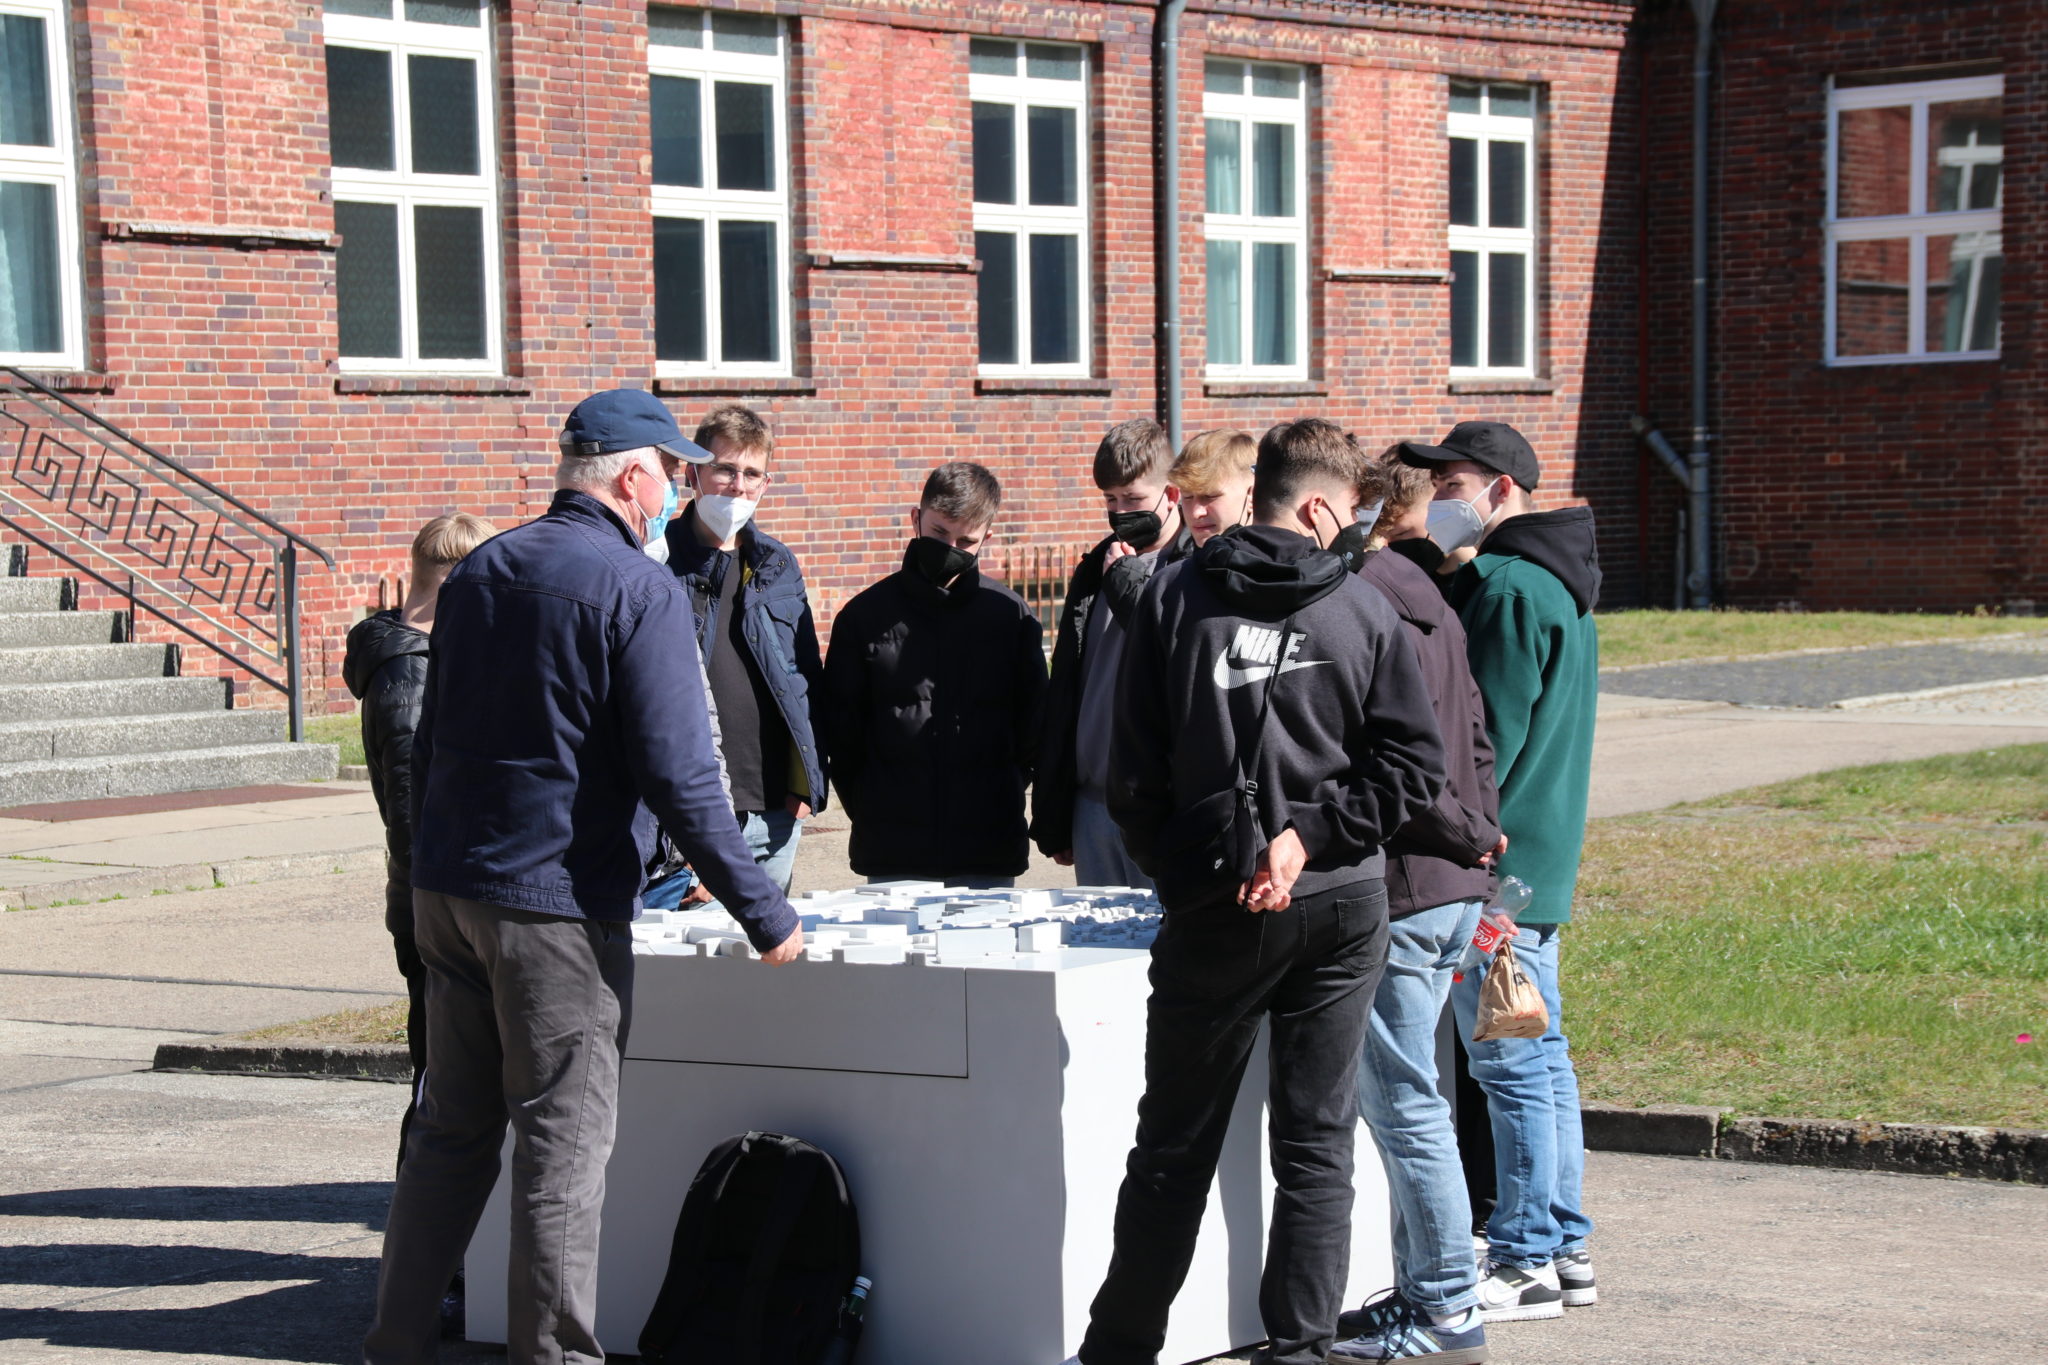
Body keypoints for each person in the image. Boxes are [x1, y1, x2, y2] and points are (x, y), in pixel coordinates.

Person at [363, 388, 804, 1365]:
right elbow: (684, 775)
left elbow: (434, 743)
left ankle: (393, 1345)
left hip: (453, 892)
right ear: (633, 474)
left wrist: (427, 876)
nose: (677, 494)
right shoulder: (634, 588)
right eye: (672, 474)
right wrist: (765, 912)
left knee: (450, 1135)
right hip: (552, 907)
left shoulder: (483, 569)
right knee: (560, 1145)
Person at [1064, 419, 1447, 1365]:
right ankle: (1302, 1347)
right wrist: (1309, 838)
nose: (1355, 525)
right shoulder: (1363, 608)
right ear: (1318, 505)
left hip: (1222, 906)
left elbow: (1129, 771)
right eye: (1352, 509)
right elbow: (1414, 767)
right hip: (1339, 900)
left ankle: (1120, 1349)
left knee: (1172, 1150)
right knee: (1317, 1145)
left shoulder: (1171, 597)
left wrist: (1204, 865)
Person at [1400, 419, 1602, 1323]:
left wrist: (1466, 846)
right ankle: (1559, 1244)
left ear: (1505, 488)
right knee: (1539, 1056)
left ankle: (1524, 1254)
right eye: (1438, 479)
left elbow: (1479, 739)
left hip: (1497, 865)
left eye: (1457, 480)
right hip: (1531, 859)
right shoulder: (1550, 581)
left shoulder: (1513, 589)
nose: (1443, 494)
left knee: (1511, 1062)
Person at [1328, 458, 1506, 1364]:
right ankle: (1423, 1294)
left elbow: (1408, 756)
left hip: (1408, 883)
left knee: (1405, 1106)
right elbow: (1472, 737)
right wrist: (1483, 831)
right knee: (1414, 1098)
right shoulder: (1433, 594)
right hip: (1446, 880)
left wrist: (1460, 832)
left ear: (1375, 511)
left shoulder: (1370, 592)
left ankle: (1443, 1307)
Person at [343, 511, 499, 1175]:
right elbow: (412, 821)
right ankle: (426, 1241)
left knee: (452, 1073)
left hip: (446, 897)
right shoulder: (409, 677)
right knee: (442, 1080)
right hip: (437, 905)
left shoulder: (436, 658)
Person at [823, 461, 1046, 887]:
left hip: (986, 846)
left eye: (966, 540)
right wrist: (875, 805)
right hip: (893, 849)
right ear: (916, 519)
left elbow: (1033, 725)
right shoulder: (865, 617)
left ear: (987, 539)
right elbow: (842, 734)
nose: (950, 547)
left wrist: (1002, 790)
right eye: (940, 532)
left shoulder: (1010, 617)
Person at [643, 404, 826, 907]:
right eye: (725, 469)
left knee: (762, 969)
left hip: (773, 811)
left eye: (751, 473)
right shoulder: (656, 562)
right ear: (693, 473)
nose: (738, 486)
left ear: (766, 483)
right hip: (695, 815)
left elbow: (805, 675)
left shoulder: (777, 564)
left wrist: (804, 785)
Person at [1033, 418, 1192, 888]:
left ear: (1172, 494)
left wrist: (1128, 589)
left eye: (1134, 499)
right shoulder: (1095, 566)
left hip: (1158, 804)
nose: (1121, 511)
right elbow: (1069, 690)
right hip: (1092, 803)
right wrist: (1057, 812)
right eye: (1110, 500)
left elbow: (1180, 662)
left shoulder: (1196, 568)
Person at [1171, 427, 1257, 547]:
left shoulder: (1285, 562)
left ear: (1252, 495)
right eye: (1187, 497)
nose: (1196, 512)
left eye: (1210, 496)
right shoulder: (1175, 564)